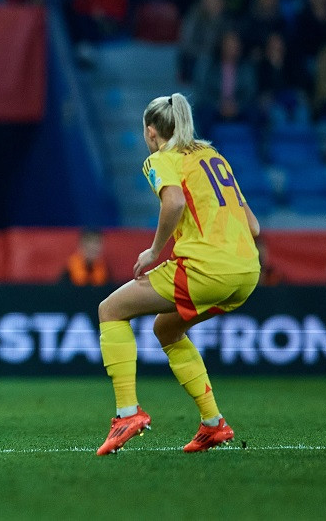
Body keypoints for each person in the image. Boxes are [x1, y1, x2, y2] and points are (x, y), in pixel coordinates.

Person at [95, 93, 260, 456]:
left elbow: (174, 201)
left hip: (206, 268)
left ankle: (127, 414)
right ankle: (214, 423)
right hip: (247, 273)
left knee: (110, 310)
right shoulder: (212, 155)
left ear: (150, 131)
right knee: (166, 329)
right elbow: (254, 226)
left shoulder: (161, 158)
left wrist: (154, 251)